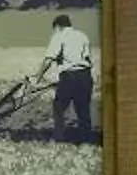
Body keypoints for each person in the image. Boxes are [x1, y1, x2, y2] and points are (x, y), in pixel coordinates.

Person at [36, 14, 96, 143]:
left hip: (69, 76)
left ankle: (59, 138)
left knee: (59, 107)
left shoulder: (59, 36)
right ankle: (86, 139)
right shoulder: (82, 36)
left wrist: (38, 77)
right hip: (85, 76)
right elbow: (86, 58)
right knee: (83, 109)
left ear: (58, 26)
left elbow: (49, 59)